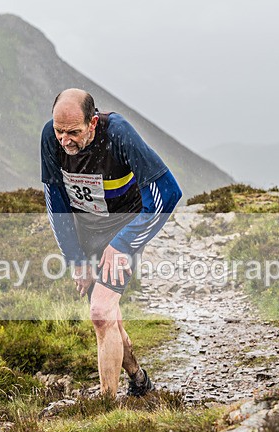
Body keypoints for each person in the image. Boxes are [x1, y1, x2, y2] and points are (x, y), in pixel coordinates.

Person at [40, 88, 182, 397]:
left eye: (74, 132)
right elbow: (56, 202)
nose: (65, 140)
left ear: (92, 123)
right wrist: (76, 260)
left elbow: (168, 193)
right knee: (108, 318)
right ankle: (139, 379)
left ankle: (106, 405)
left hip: (122, 229)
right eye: (60, 131)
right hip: (87, 234)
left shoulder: (118, 134)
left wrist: (124, 244)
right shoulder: (51, 137)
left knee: (101, 312)